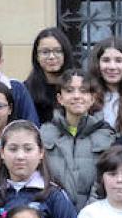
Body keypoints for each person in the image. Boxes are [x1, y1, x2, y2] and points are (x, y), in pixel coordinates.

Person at [42, 73, 115, 204]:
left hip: (94, 215)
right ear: (60, 98)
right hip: (55, 212)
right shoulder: (45, 133)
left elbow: (106, 177)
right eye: (69, 91)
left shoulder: (107, 135)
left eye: (83, 91)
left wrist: (89, 212)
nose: (76, 96)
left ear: (92, 98)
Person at [22, 27, 76, 124]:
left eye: (58, 51)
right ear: (36, 56)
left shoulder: (78, 87)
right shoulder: (25, 91)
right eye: (45, 52)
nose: (51, 57)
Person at [85, 36, 122, 129]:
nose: (112, 66)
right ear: (97, 64)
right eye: (106, 60)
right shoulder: (85, 95)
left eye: (119, 61)